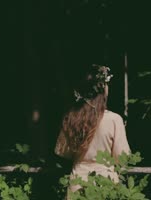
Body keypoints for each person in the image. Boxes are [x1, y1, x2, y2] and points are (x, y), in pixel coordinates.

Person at [55, 64, 131, 194]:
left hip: (77, 183)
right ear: (103, 89)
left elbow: (63, 152)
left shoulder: (71, 118)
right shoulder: (114, 120)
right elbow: (122, 157)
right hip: (106, 183)